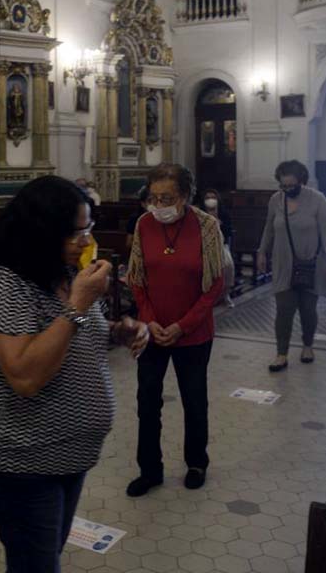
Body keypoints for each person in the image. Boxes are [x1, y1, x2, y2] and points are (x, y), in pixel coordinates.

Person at [0, 176, 148, 573]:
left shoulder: (61, 274)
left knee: (40, 557)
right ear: (39, 231)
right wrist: (80, 302)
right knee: (37, 565)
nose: (85, 240)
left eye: (88, 228)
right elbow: (26, 376)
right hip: (16, 458)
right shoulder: (3, 283)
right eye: (75, 231)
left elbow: (73, 337)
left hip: (66, 453)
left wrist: (117, 331)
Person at [126, 164, 225, 496]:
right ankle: (150, 469)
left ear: (185, 195)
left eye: (166, 197)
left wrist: (182, 327)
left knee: (194, 400)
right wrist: (149, 319)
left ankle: (197, 462)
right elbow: (137, 279)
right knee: (148, 401)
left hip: (193, 333)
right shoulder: (144, 224)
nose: (159, 205)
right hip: (152, 331)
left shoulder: (208, 227)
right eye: (153, 197)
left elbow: (215, 285)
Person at [257, 160, 326, 372]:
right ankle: (281, 354)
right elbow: (269, 227)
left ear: (301, 181)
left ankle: (307, 346)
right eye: (283, 185)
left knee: (308, 310)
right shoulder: (276, 200)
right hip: (283, 263)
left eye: (291, 185)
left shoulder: (317, 200)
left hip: (312, 263)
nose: (287, 189)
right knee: (284, 310)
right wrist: (261, 252)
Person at [200, 188, 235, 307]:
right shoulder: (200, 213)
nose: (210, 200)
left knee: (228, 264)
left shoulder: (223, 213)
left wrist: (220, 224)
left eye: (213, 197)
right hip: (204, 245)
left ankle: (225, 294)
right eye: (207, 198)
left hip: (221, 244)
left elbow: (229, 232)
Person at [126, 185, 149, 251]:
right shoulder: (135, 218)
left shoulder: (163, 218)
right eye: (149, 201)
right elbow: (129, 243)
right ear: (143, 203)